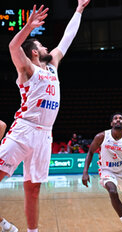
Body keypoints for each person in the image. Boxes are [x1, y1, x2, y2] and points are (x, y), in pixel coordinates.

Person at [0, 1, 89, 232]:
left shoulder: (52, 66)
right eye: (42, 46)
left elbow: (67, 38)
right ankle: (1, 222)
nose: (48, 48)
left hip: (44, 135)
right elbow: (12, 46)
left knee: (33, 189)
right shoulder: (27, 68)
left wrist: (79, 9)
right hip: (24, 130)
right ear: (34, 52)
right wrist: (28, 26)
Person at [82, 113, 122, 232]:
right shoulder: (101, 136)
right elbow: (90, 152)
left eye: (121, 119)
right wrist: (85, 172)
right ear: (111, 123)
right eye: (115, 118)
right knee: (112, 191)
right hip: (107, 170)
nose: (118, 120)